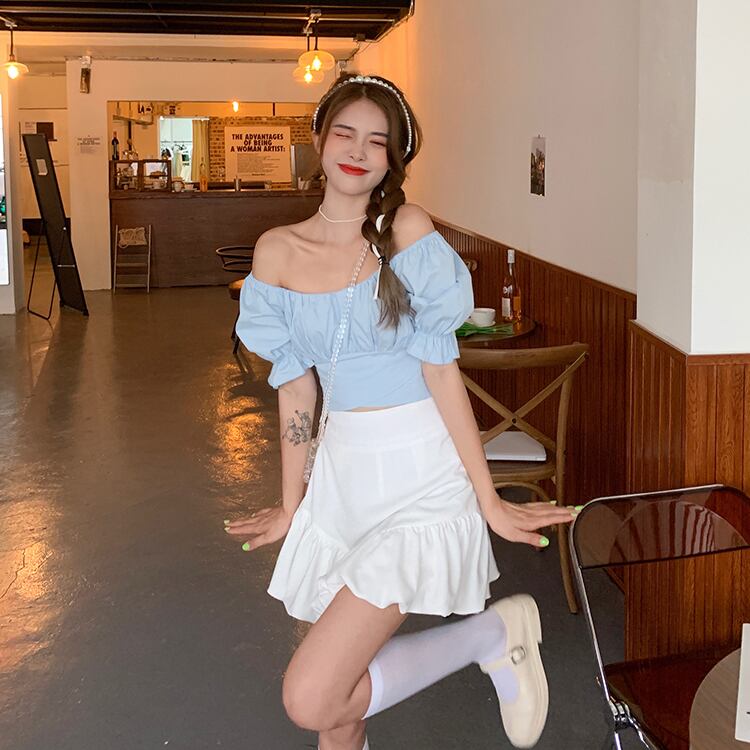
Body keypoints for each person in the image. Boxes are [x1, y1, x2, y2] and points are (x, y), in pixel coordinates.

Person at [225, 73, 578, 750]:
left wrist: (488, 499)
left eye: (377, 141)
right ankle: (490, 637)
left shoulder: (404, 231)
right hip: (341, 479)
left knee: (311, 697)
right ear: (320, 140)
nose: (358, 150)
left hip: (420, 474)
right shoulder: (277, 251)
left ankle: (492, 634)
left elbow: (441, 371)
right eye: (345, 133)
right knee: (339, 711)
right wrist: (292, 504)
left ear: (394, 158)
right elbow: (296, 390)